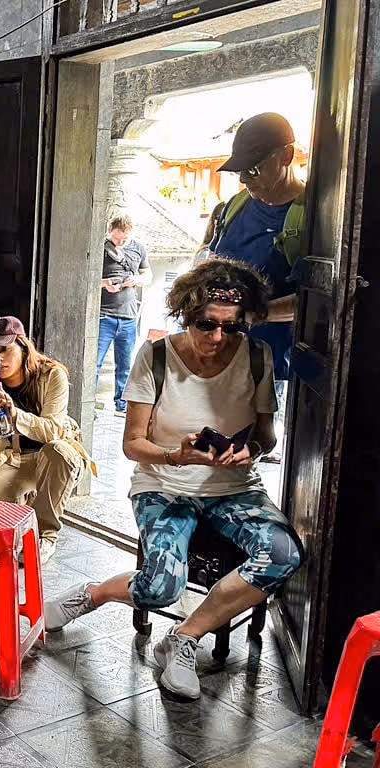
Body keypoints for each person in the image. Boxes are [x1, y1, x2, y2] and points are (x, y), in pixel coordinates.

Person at [44, 259, 303, 700]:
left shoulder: (257, 356)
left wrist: (253, 451)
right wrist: (175, 456)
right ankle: (94, 593)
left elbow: (267, 435)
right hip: (164, 486)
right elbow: (133, 444)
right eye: (207, 324)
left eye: (232, 327)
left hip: (235, 488)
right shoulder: (158, 357)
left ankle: (184, 637)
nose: (218, 337)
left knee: (284, 553)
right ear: (187, 314)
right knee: (161, 587)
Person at [202, 112, 306, 444]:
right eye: (241, 172)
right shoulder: (235, 206)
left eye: (255, 169)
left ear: (286, 156)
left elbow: (317, 299)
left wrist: (254, 313)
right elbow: (210, 255)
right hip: (218, 352)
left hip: (269, 364)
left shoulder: (310, 218)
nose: (246, 179)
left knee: (247, 448)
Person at [0, 316, 89, 564]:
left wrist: (15, 415)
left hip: (55, 460)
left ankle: (45, 535)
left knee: (58, 450)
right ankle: (29, 502)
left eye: (5, 350)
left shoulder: (52, 375)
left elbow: (53, 431)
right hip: (15, 460)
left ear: (24, 347)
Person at [96, 212, 152, 416]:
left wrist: (136, 280)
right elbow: (87, 277)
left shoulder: (138, 248)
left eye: (124, 239)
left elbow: (148, 275)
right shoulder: (100, 248)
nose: (119, 242)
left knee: (126, 365)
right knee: (95, 363)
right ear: (109, 231)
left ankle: (122, 404)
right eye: (116, 238)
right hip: (104, 314)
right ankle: (89, 402)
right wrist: (105, 284)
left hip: (128, 316)